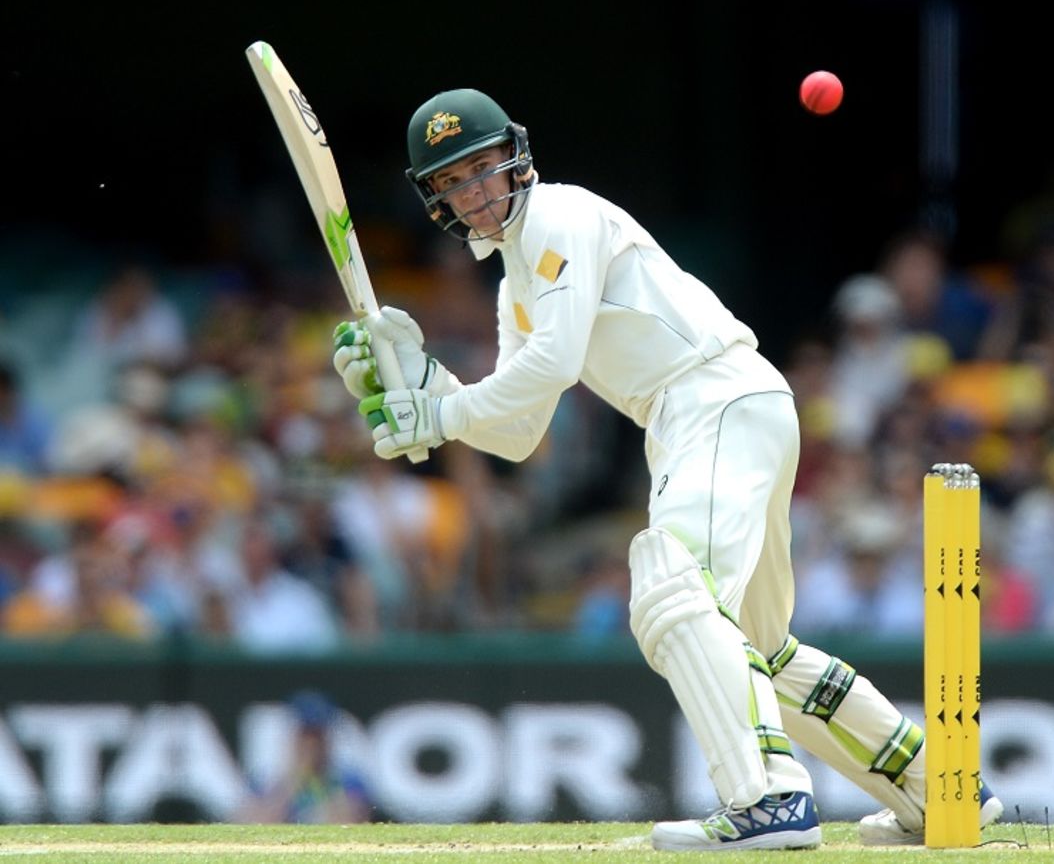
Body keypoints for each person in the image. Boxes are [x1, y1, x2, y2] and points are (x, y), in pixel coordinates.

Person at [331, 89, 1002, 849]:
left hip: (711, 398)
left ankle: (768, 801)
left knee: (671, 581)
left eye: (481, 168)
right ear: (437, 201)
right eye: (453, 181)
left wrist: (441, 414)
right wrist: (430, 388)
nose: (474, 191)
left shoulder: (559, 214)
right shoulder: (517, 284)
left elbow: (550, 364)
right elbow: (520, 430)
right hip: (714, 414)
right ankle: (940, 791)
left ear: (515, 159)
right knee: (758, 651)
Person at [235, 690, 371, 824]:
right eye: (306, 736)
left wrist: (322, 780)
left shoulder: (346, 778)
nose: (312, 745)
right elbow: (253, 822)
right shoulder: (268, 777)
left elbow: (350, 822)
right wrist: (296, 779)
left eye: (318, 737)